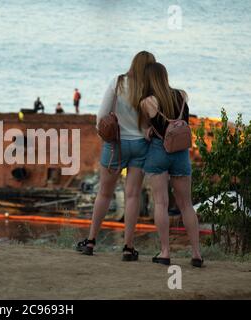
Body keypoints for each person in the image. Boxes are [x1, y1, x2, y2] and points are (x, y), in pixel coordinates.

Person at [76, 51, 156, 259]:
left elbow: (101, 115)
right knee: (132, 195)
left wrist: (103, 134)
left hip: (115, 145)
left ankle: (91, 242)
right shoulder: (150, 88)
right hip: (140, 145)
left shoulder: (118, 82)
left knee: (104, 193)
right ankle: (128, 248)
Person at [140, 62, 203, 268]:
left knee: (161, 203)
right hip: (181, 153)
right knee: (186, 204)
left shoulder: (147, 102)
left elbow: (146, 131)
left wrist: (148, 130)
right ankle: (196, 254)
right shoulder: (182, 95)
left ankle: (165, 252)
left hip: (159, 152)